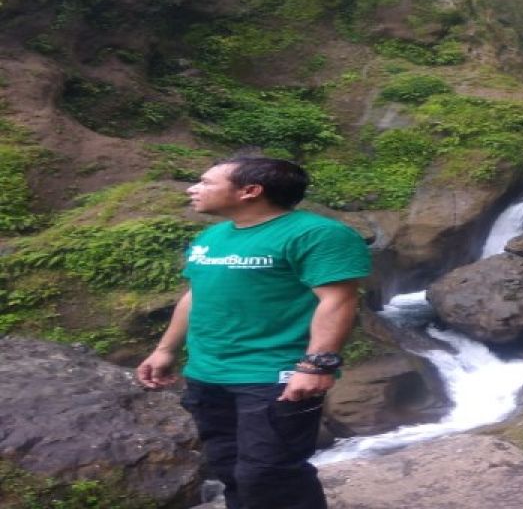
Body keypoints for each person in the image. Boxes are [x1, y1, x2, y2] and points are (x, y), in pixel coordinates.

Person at [137, 156, 371, 509]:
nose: (192, 189)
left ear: (250, 191)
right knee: (228, 468)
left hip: (273, 375)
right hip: (208, 373)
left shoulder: (317, 234)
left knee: (270, 473)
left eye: (205, 182)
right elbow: (195, 294)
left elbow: (338, 299)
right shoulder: (212, 235)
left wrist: (317, 365)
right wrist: (165, 349)